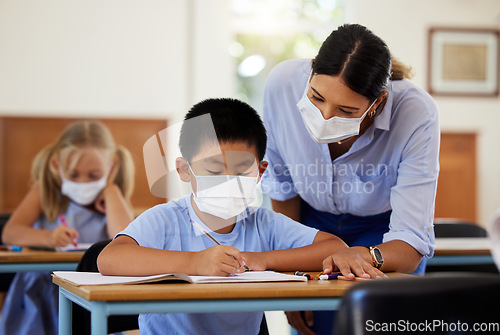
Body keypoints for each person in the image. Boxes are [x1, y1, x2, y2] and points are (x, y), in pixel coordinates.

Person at [97, 98, 368, 335]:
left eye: (241, 172)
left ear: (260, 172)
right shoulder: (166, 219)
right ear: (184, 170)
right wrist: (195, 262)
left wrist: (264, 259)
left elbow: (334, 248)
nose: (227, 182)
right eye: (214, 172)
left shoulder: (263, 223)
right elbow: (109, 259)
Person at [261, 24, 440, 334]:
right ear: (311, 71)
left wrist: (365, 255)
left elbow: (410, 242)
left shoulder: (416, 113)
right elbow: (282, 186)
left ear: (378, 103)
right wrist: (292, 277)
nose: (325, 117)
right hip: (309, 225)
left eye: (346, 110)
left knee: (376, 322)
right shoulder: (282, 83)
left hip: (382, 230)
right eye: (316, 98)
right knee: (315, 324)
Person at [0, 120, 135, 334]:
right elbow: (10, 232)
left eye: (93, 176)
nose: (83, 182)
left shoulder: (111, 200)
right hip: (41, 294)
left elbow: (127, 242)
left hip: (89, 295)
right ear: (56, 164)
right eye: (73, 175)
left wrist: (111, 193)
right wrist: (49, 238)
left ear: (111, 167)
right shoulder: (45, 191)